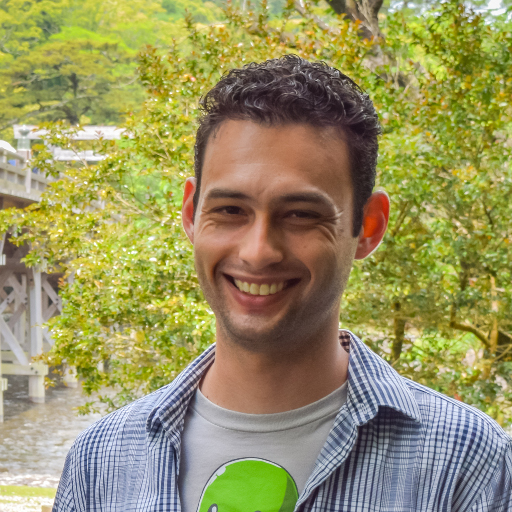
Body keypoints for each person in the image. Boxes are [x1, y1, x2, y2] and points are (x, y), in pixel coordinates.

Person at [53, 55, 512, 512]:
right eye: (230, 210)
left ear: (368, 227)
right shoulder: (99, 463)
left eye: (301, 214)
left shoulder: (467, 463)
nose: (258, 252)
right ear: (191, 215)